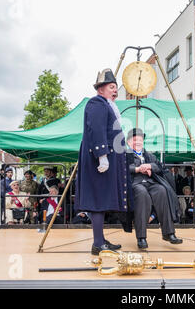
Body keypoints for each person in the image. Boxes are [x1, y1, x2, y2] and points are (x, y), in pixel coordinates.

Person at [75, 68, 127, 255]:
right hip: (99, 161)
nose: (115, 90)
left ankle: (100, 239)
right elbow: (96, 130)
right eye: (111, 87)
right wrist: (102, 156)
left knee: (102, 199)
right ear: (101, 89)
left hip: (105, 160)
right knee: (98, 200)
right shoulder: (96, 103)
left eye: (115, 87)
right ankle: (97, 243)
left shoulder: (105, 105)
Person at [126, 128, 183, 249]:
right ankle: (141, 237)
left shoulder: (149, 155)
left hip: (151, 183)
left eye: (140, 140)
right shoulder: (125, 155)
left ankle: (169, 233)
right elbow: (121, 168)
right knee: (142, 195)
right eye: (135, 140)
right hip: (135, 184)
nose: (138, 142)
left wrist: (150, 166)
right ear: (129, 142)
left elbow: (160, 166)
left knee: (162, 190)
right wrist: (137, 169)